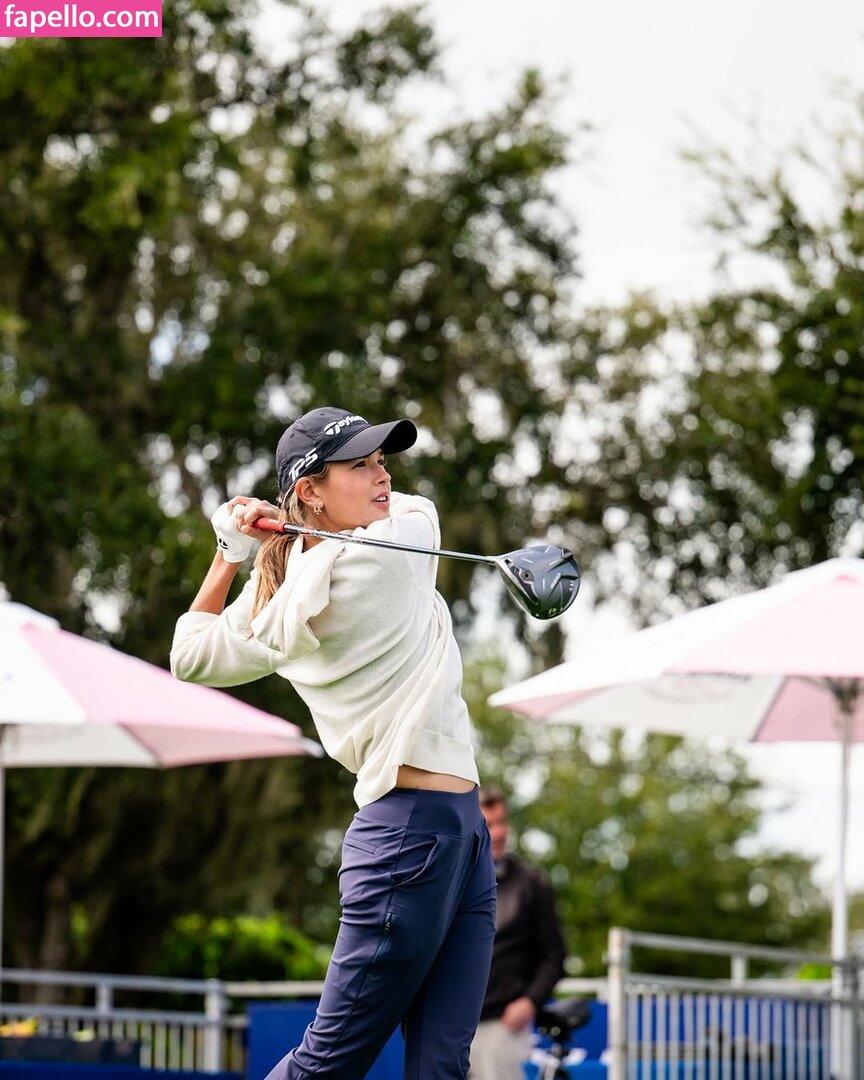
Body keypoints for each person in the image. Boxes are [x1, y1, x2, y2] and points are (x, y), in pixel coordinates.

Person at [170, 407, 496, 1080]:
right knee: (328, 1063)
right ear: (310, 490)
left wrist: (231, 551)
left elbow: (190, 654)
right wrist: (284, 533)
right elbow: (422, 509)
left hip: (456, 833)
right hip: (410, 837)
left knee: (441, 1064)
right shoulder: (397, 548)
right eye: (360, 466)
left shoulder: (279, 594)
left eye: (382, 462)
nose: (383, 477)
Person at [469, 785, 567, 1080]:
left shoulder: (530, 883)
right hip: (451, 1024)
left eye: (502, 822)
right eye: (489, 824)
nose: (499, 832)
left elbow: (555, 955)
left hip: (501, 1026)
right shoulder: (453, 880)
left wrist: (529, 1002)